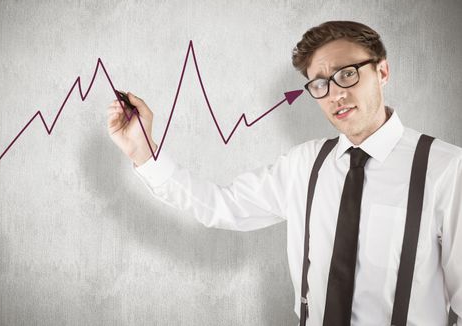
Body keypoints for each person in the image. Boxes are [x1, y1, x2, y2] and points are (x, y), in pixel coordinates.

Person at [106, 21, 461, 325]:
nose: (335, 93)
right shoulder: (305, 164)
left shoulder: (446, 168)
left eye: (347, 74)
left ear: (382, 72)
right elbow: (220, 205)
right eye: (320, 84)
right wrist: (144, 151)